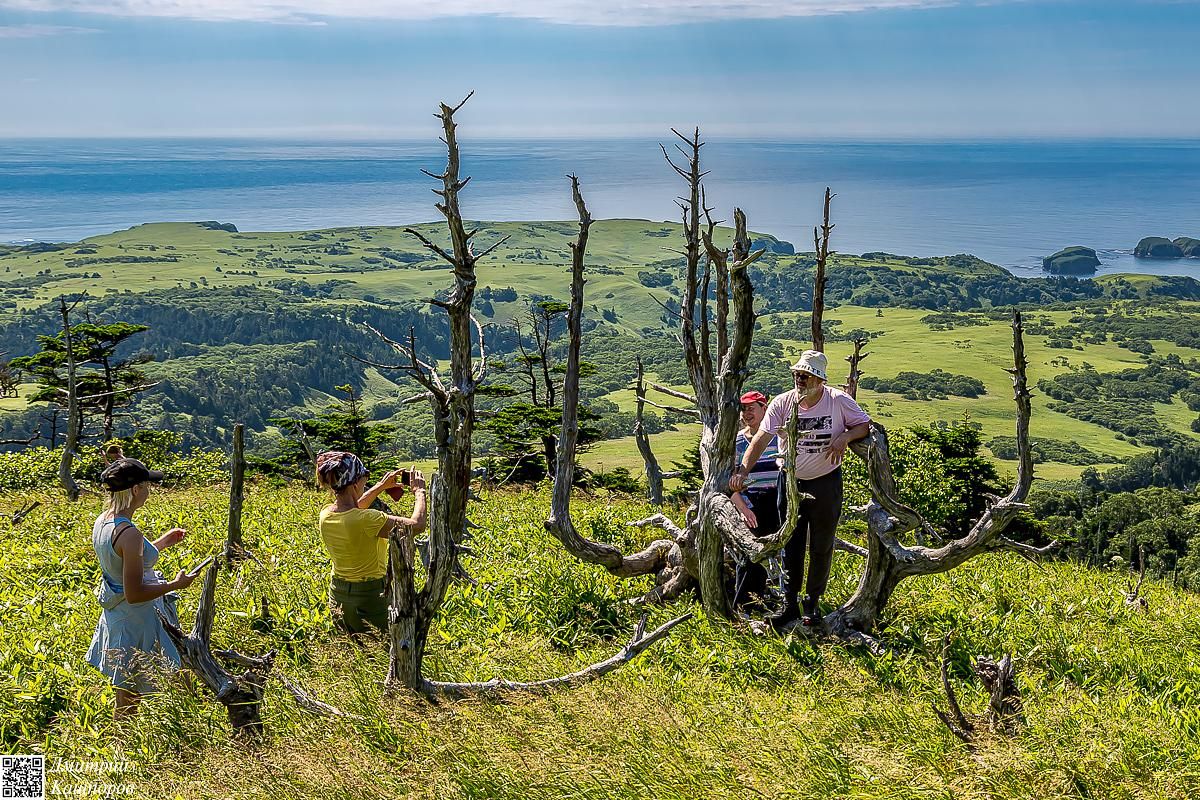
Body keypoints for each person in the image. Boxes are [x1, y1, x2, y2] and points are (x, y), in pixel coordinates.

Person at [730, 350, 870, 628]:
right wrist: (743, 470)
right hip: (790, 481)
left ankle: (812, 603)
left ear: (819, 379)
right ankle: (789, 603)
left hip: (825, 481)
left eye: (805, 376)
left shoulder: (837, 400)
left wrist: (846, 436)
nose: (800, 380)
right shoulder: (783, 402)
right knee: (791, 543)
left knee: (821, 544)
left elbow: (865, 424)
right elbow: (760, 439)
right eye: (797, 375)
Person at [87, 458, 197, 719]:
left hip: (119, 616)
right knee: (164, 683)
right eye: (147, 485)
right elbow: (135, 592)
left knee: (126, 691)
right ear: (136, 489)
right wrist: (175, 584)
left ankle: (124, 744)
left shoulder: (104, 521)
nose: (149, 490)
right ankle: (189, 731)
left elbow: (123, 561)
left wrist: (161, 543)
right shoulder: (130, 533)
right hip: (140, 619)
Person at [315, 451, 426, 636]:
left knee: (353, 652)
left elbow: (353, 508)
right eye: (364, 479)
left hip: (338, 596)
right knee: (383, 651)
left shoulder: (326, 514)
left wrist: (380, 487)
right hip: (370, 597)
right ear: (355, 483)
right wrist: (420, 492)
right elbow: (417, 525)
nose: (365, 483)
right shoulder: (368, 520)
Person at [730, 390, 782, 609]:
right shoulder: (737, 442)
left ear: (764, 408)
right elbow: (730, 484)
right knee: (750, 554)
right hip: (751, 502)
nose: (746, 413)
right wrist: (742, 508)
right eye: (743, 408)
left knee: (780, 552)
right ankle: (744, 607)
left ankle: (771, 601)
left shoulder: (780, 438)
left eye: (752, 407)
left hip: (779, 499)